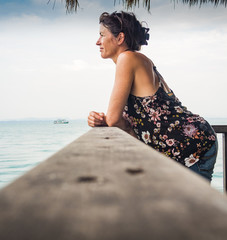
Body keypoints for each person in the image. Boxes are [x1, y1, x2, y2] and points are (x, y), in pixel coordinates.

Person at [88, 11, 218, 181]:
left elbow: (113, 120)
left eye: (102, 35)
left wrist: (107, 120)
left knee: (190, 207)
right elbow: (125, 121)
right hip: (193, 143)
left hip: (191, 146)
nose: (97, 41)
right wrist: (102, 119)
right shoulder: (138, 61)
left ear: (120, 38)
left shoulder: (127, 58)